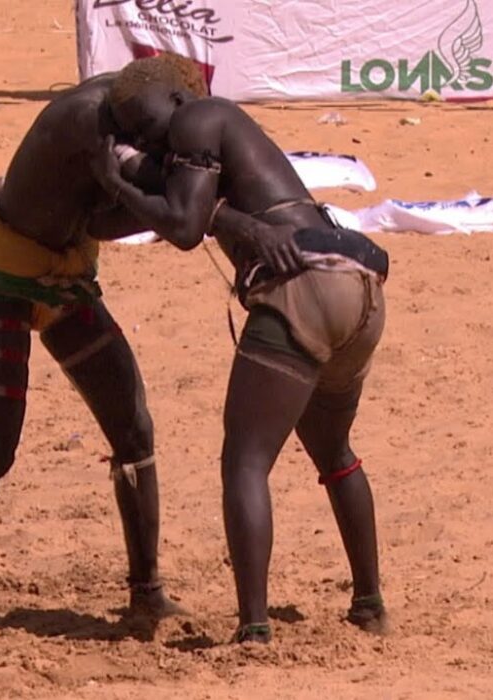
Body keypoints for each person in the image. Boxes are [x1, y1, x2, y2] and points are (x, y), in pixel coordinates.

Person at [0, 55, 219, 628]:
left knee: (133, 428)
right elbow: (157, 197)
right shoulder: (87, 117)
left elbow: (104, 222)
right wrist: (206, 178)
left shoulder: (119, 120)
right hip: (3, 279)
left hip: (66, 277)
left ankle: (146, 592)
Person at [94, 56, 390, 643]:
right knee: (334, 452)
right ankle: (370, 605)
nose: (141, 134)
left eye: (143, 118)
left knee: (245, 461)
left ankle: (254, 628)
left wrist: (116, 182)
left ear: (179, 96)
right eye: (128, 129)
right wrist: (222, 216)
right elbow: (199, 208)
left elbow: (183, 225)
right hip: (359, 290)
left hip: (300, 288)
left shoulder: (199, 115)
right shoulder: (222, 134)